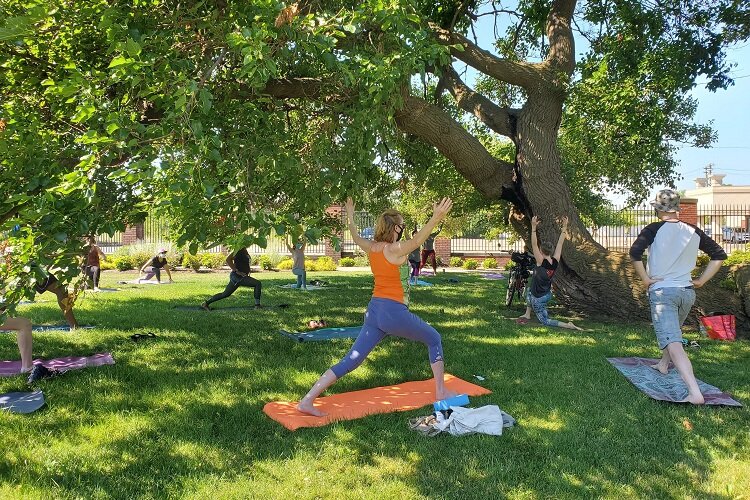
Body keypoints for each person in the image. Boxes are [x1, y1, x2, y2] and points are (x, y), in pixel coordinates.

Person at [297, 197, 458, 417]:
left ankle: (307, 400)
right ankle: (440, 391)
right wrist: (436, 216)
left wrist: (351, 216)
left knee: (351, 360)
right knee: (434, 338)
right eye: (402, 225)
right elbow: (418, 240)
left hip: (374, 312)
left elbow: (354, 236)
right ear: (395, 227)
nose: (404, 229)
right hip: (394, 313)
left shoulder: (371, 247)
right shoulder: (394, 249)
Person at [629, 189, 726, 405]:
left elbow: (634, 254)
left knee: (673, 341)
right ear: (677, 209)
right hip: (686, 294)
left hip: (664, 293)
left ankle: (694, 391)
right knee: (674, 334)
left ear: (657, 209)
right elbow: (719, 255)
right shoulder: (693, 230)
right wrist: (701, 281)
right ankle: (664, 364)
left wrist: (645, 279)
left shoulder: (653, 229)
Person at [516, 216, 583, 330]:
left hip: (539, 298)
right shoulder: (555, 260)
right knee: (529, 291)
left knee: (545, 321)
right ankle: (527, 314)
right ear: (551, 251)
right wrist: (564, 227)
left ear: (541, 251)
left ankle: (569, 325)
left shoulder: (540, 261)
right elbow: (560, 243)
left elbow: (534, 244)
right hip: (546, 294)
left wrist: (533, 228)